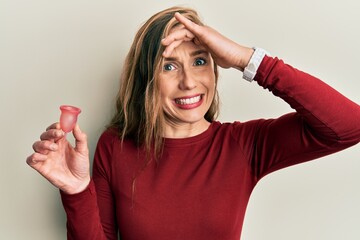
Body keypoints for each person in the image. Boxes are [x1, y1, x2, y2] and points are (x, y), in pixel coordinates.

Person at [26, 6, 360, 240]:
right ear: (146, 79)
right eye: (169, 66)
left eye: (200, 61)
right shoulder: (116, 146)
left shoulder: (244, 145)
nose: (189, 82)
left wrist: (249, 60)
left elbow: (350, 126)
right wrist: (76, 191)